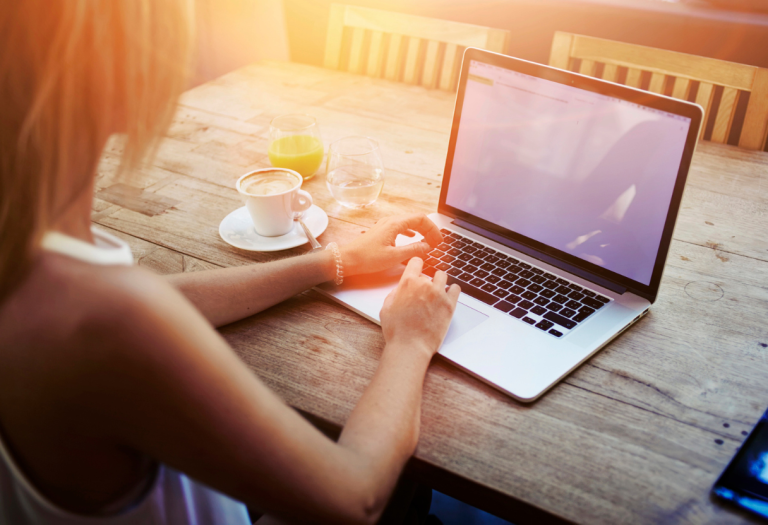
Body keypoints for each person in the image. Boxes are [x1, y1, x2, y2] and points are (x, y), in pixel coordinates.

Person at [0, 1, 460, 524]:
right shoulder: (107, 319)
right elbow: (357, 497)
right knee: (408, 495)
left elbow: (154, 302)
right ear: (121, 80)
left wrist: (332, 262)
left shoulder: (38, 250)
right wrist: (411, 341)